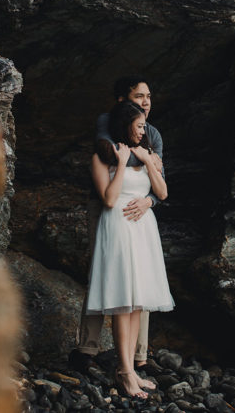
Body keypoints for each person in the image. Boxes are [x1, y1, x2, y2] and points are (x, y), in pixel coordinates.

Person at [73, 76, 165, 374]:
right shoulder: (107, 122)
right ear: (122, 101)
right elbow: (108, 151)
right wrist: (131, 158)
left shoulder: (154, 134)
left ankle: (138, 355)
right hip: (106, 205)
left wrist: (149, 200)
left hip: (140, 210)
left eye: (148, 96)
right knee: (102, 272)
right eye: (139, 96)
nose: (146, 101)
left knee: (143, 280)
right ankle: (87, 348)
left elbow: (161, 182)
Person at [85, 100, 174, 399]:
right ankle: (124, 372)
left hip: (144, 229)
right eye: (138, 126)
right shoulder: (102, 159)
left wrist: (148, 161)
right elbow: (109, 199)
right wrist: (122, 163)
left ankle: (132, 372)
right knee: (123, 301)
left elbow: (162, 192)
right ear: (124, 125)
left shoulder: (146, 153)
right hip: (119, 227)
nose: (143, 131)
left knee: (138, 303)